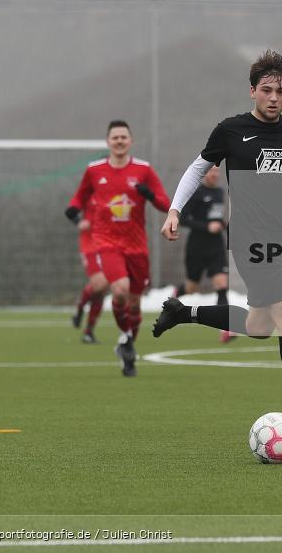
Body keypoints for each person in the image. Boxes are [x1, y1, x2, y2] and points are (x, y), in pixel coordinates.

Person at [151, 50, 282, 435]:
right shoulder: (231, 130)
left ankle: (183, 312)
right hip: (249, 242)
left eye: (281, 90)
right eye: (266, 90)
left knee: (260, 326)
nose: (274, 97)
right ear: (252, 91)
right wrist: (175, 210)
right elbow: (198, 168)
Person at [66, 120, 170, 376]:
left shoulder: (144, 170)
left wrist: (148, 195)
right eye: (115, 137)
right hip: (106, 241)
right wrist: (75, 213)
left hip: (137, 246)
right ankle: (125, 336)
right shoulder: (94, 171)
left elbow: (165, 204)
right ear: (108, 142)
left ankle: (126, 345)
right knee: (119, 290)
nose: (120, 141)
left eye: (124, 137)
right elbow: (78, 198)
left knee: (134, 305)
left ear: (131, 141)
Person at [173, 165, 234, 343]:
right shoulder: (196, 193)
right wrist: (206, 226)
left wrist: (223, 225)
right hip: (197, 246)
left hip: (216, 245)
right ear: (204, 173)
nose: (214, 174)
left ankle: (226, 328)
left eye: (217, 171)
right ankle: (177, 293)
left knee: (221, 283)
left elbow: (215, 217)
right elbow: (183, 219)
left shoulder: (220, 192)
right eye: (211, 171)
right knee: (192, 288)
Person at [71, 196, 108, 344]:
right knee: (99, 284)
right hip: (90, 245)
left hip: (107, 243)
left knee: (102, 289)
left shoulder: (111, 190)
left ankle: (89, 332)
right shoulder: (89, 190)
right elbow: (71, 209)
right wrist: (79, 221)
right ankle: (80, 306)